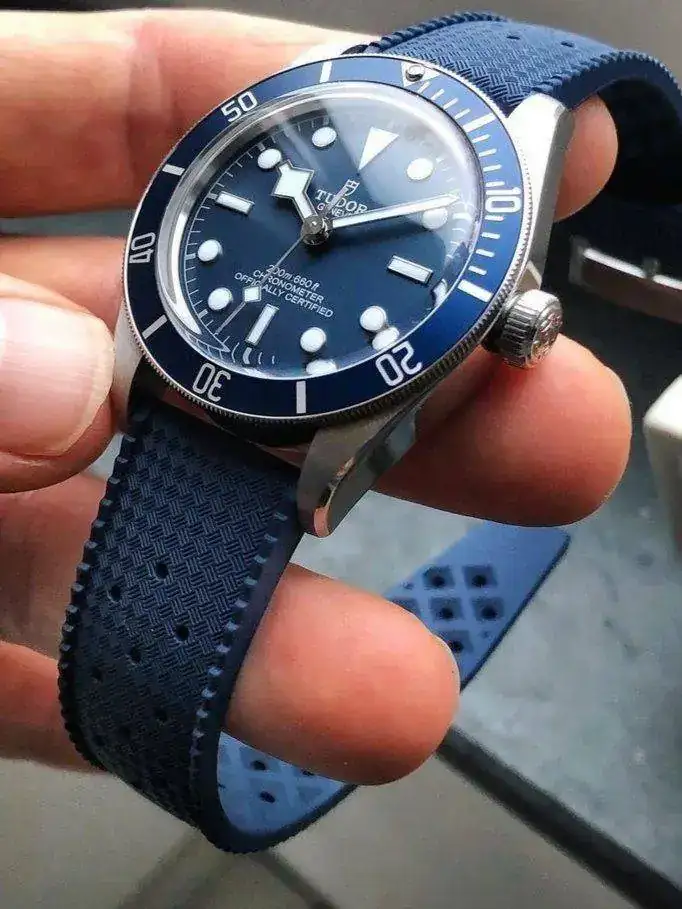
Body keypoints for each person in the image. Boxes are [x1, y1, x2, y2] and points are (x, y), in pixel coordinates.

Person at [0, 8, 629, 784]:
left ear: (517, 321)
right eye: (313, 215)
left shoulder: (526, 132)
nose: (319, 228)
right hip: (185, 376)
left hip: (275, 424)